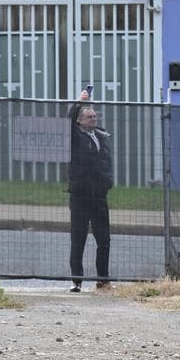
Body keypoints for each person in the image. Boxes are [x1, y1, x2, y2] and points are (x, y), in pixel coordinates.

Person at [66, 90, 113, 292]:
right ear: (80, 121)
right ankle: (77, 280)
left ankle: (103, 279)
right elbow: (67, 121)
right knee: (79, 239)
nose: (93, 119)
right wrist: (79, 102)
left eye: (95, 116)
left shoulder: (102, 137)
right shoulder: (75, 137)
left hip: (99, 197)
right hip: (80, 197)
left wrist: (107, 182)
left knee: (104, 239)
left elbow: (107, 163)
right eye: (89, 116)